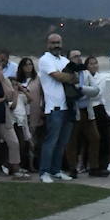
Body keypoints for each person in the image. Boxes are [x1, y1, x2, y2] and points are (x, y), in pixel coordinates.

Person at [37, 33, 77, 183]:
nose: (56, 45)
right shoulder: (45, 60)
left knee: (62, 142)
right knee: (51, 141)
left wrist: (69, 77)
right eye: (53, 43)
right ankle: (44, 172)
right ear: (48, 44)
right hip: (54, 106)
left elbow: (77, 77)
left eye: (58, 42)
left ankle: (55, 170)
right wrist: (69, 77)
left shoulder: (65, 60)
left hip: (68, 106)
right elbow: (57, 76)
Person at [64, 54, 108, 177]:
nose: (78, 58)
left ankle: (94, 167)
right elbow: (70, 93)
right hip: (74, 111)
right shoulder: (67, 74)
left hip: (87, 111)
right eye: (75, 56)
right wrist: (82, 91)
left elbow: (96, 90)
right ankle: (72, 168)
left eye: (79, 56)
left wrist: (81, 89)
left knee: (95, 137)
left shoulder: (86, 73)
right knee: (72, 140)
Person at [11, 57, 38, 173]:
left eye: (30, 64)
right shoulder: (16, 81)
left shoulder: (37, 79)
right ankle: (19, 165)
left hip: (34, 112)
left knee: (31, 141)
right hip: (19, 116)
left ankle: (31, 165)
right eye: (26, 65)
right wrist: (18, 89)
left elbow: (36, 97)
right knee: (22, 142)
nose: (29, 67)